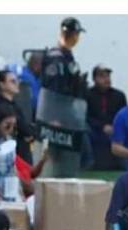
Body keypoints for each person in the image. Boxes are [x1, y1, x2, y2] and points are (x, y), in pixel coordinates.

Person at [38, 17, 89, 177]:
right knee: (57, 162)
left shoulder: (67, 55)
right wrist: (54, 117)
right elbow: (54, 88)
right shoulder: (56, 57)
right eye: (75, 34)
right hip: (57, 118)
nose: (77, 38)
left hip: (69, 115)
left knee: (78, 158)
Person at [0, 68, 38, 165]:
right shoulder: (2, 107)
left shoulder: (13, 105)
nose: (17, 83)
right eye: (12, 81)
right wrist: (28, 133)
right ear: (2, 85)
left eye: (17, 80)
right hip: (12, 155)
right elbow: (24, 129)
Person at [86, 65, 127, 170]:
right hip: (95, 130)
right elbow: (85, 117)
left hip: (114, 130)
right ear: (94, 79)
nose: (106, 80)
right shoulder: (87, 95)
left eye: (108, 76)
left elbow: (124, 116)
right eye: (102, 77)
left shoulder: (118, 95)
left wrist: (114, 127)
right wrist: (102, 126)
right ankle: (89, 163)